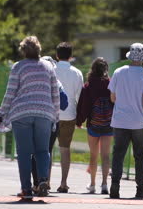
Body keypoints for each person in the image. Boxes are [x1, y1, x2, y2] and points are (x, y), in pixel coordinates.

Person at [0, 36, 59, 199]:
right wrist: (55, 116)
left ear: (23, 51)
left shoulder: (18, 67)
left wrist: (1, 113)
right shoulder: (48, 67)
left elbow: (10, 93)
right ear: (39, 50)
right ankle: (43, 180)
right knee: (43, 150)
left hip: (22, 113)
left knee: (24, 153)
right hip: (44, 112)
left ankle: (27, 189)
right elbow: (55, 93)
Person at [108, 43, 143, 199]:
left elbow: (112, 97)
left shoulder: (118, 72)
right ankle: (140, 188)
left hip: (120, 120)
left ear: (129, 56)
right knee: (140, 156)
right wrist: (141, 110)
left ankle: (115, 186)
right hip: (139, 122)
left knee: (118, 154)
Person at [29, 56, 68, 193]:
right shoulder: (57, 83)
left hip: (34, 119)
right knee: (46, 152)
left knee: (34, 152)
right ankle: (44, 181)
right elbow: (64, 104)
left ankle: (36, 184)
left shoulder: (33, 81)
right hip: (52, 122)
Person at [76, 57, 113, 194]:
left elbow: (84, 106)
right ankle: (104, 184)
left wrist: (79, 121)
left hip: (93, 123)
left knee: (93, 155)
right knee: (105, 155)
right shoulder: (110, 83)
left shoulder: (88, 85)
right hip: (108, 124)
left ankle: (92, 184)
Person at [54, 42, 83, 193]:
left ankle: (44, 180)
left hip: (51, 114)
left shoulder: (51, 70)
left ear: (56, 55)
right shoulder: (77, 73)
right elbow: (79, 96)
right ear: (71, 56)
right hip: (69, 115)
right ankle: (64, 183)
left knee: (46, 149)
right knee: (65, 149)